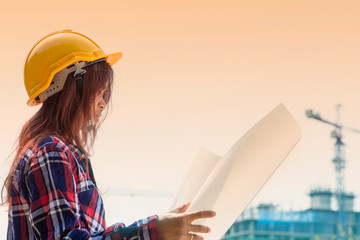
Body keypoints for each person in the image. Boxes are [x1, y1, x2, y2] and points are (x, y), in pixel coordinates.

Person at [1, 30, 215, 240]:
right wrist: (153, 232)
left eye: (106, 95)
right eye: (99, 91)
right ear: (72, 85)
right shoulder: (51, 152)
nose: (103, 104)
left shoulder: (59, 152)